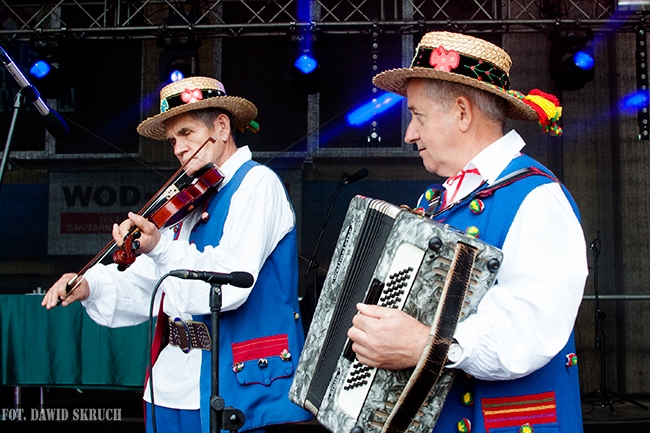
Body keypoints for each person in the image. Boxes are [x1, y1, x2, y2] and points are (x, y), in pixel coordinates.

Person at [347, 32, 588, 433]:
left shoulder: (537, 198)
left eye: (418, 116)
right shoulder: (435, 201)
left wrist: (423, 345)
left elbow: (528, 334)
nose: (409, 134)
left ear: (462, 112)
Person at [42, 76, 312, 433]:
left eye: (186, 133)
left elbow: (229, 283)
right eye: (172, 140)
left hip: (235, 381)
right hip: (171, 381)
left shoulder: (257, 184)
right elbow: (155, 282)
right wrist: (91, 284)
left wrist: (160, 247)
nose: (179, 149)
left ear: (221, 127)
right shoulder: (192, 196)